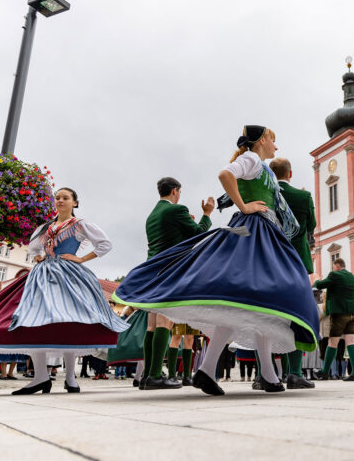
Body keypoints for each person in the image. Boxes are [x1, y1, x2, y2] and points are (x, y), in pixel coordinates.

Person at [113, 125, 320, 395]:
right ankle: (259, 374)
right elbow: (225, 174)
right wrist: (244, 206)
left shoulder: (261, 165)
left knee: (249, 302)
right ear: (261, 141)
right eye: (272, 140)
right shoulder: (252, 158)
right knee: (260, 299)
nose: (275, 146)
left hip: (260, 232)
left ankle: (212, 370)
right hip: (253, 232)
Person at [0, 187, 129, 394]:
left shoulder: (80, 224)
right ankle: (40, 376)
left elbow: (104, 244)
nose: (60, 201)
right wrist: (37, 256)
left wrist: (81, 258)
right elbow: (33, 248)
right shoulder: (45, 227)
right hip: (43, 274)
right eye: (57, 198)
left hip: (69, 274)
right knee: (34, 319)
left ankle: (71, 377)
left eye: (65, 198)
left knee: (70, 321)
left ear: (75, 203)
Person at [136, 177, 214, 390]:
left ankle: (147, 375)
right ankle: (154, 376)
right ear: (175, 191)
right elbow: (199, 234)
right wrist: (207, 214)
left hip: (152, 270)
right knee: (164, 323)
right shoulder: (176, 210)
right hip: (170, 270)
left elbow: (170, 238)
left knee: (151, 326)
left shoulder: (153, 214)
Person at [270, 157, 317, 389]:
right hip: (296, 259)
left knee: (268, 315)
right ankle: (294, 373)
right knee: (296, 314)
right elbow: (311, 226)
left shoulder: (266, 194)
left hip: (269, 260)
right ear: (290, 174)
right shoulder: (303, 196)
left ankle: (265, 374)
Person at [312, 258, 354, 381]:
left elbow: (320, 285)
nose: (333, 269)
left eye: (333, 267)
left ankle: (324, 372)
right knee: (351, 341)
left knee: (332, 342)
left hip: (339, 313)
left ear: (337, 266)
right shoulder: (352, 276)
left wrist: (317, 278)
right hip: (352, 313)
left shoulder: (335, 274)